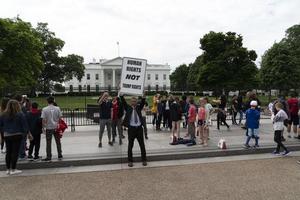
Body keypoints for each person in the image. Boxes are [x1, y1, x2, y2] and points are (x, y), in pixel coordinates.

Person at [0, 100, 30, 175]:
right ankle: (13, 169)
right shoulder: (20, 114)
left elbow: (1, 125)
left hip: (7, 135)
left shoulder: (3, 114)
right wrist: (27, 133)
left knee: (8, 152)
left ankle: (8, 169)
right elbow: (24, 125)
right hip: (17, 134)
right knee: (15, 152)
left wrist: (4, 131)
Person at [120, 95, 147, 167]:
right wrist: (121, 96)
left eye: (135, 101)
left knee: (142, 145)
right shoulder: (128, 108)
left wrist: (144, 97)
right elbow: (123, 102)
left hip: (139, 129)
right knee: (130, 145)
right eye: (132, 101)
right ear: (130, 102)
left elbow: (142, 102)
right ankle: (130, 161)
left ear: (136, 102)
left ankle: (144, 160)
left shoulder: (138, 107)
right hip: (131, 129)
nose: (134, 102)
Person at [41, 96, 63, 161]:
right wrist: (59, 125)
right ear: (54, 101)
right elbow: (60, 118)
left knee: (48, 142)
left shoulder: (44, 109)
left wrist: (43, 128)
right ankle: (59, 154)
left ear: (47, 101)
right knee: (58, 141)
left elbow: (43, 120)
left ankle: (49, 156)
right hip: (56, 127)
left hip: (49, 127)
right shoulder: (57, 108)